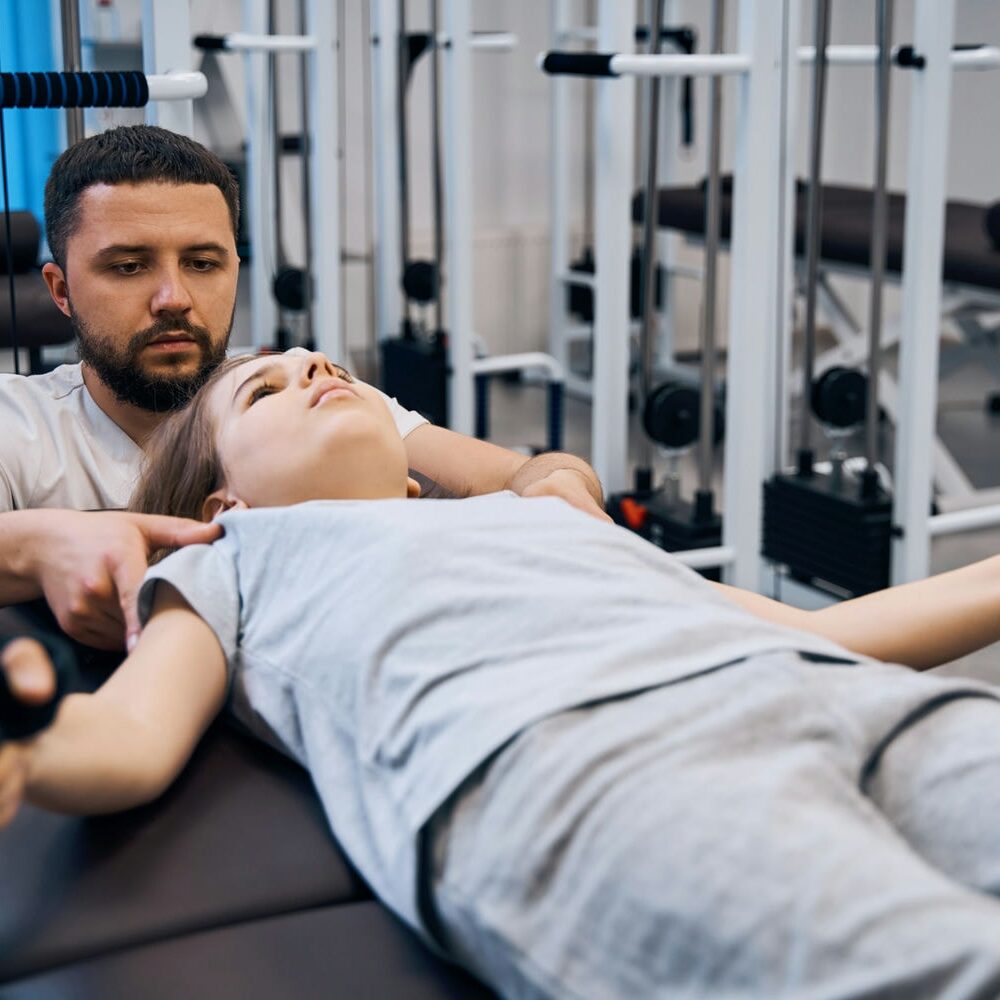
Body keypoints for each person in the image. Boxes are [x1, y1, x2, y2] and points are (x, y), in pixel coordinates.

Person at [6, 347, 1000, 998]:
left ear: (411, 483)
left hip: (824, 689)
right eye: (264, 391)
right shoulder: (231, 560)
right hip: (588, 763)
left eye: (324, 364)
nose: (313, 367)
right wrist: (28, 740)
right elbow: (132, 735)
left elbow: (839, 631)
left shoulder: (534, 519)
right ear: (225, 502)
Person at [0, 124, 606, 654]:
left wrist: (559, 483)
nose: (174, 299)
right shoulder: (19, 424)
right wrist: (39, 544)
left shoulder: (299, 391)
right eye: (129, 267)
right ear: (61, 290)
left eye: (203, 263)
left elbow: (523, 472)